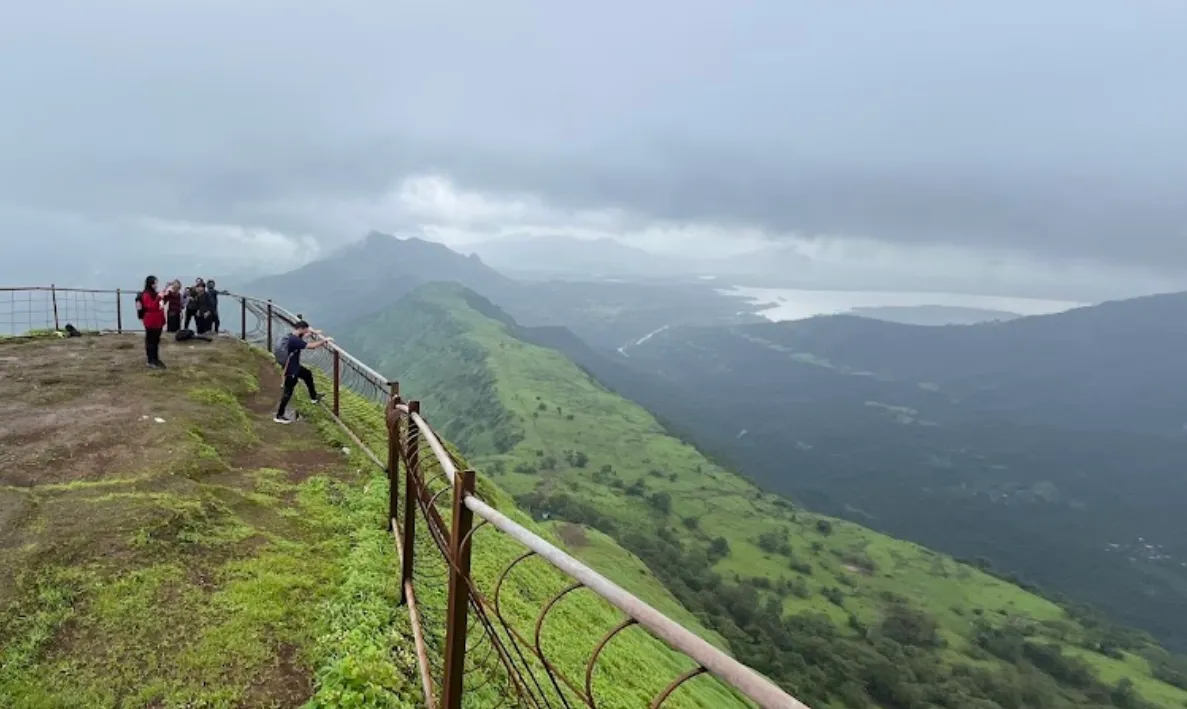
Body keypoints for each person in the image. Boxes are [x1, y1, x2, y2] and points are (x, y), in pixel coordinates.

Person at [273, 320, 332, 424]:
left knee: (307, 374)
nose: (306, 332)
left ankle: (314, 397)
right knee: (287, 392)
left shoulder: (292, 337)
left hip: (294, 367)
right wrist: (325, 341)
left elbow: (304, 338)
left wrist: (314, 333)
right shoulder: (294, 340)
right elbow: (311, 346)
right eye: (305, 330)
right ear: (300, 329)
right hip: (291, 370)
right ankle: (279, 416)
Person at [137, 275, 167, 369]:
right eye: (155, 283)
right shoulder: (146, 294)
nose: (156, 285)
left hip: (158, 319)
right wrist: (158, 297)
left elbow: (159, 304)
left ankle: (155, 358)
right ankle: (150, 360)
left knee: (156, 340)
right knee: (151, 341)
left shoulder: (154, 293)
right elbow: (151, 306)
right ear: (150, 283)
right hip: (151, 320)